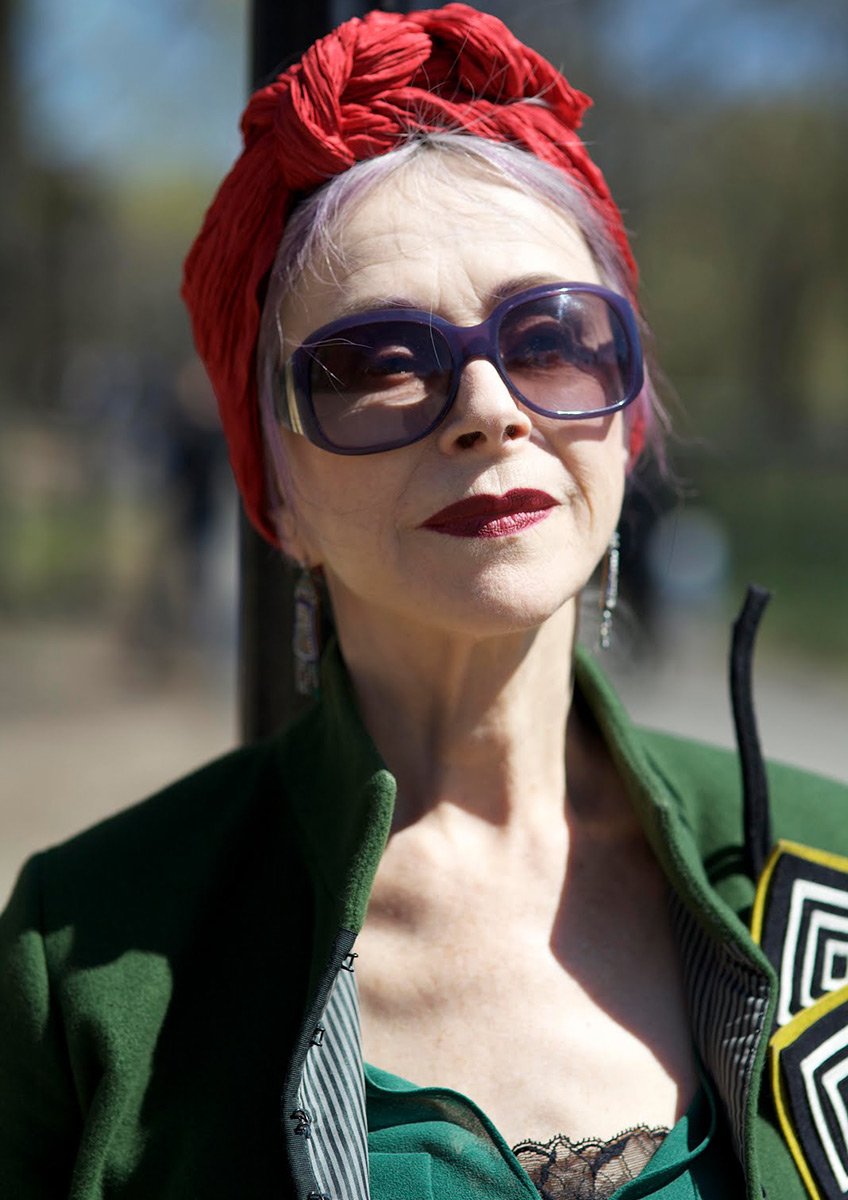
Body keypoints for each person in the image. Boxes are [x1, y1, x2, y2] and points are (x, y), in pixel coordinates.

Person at [1, 6, 847, 1199]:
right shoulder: (91, 954)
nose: (489, 409)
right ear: (275, 489)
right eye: (379, 362)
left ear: (623, 421)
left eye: (552, 336)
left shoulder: (828, 861)